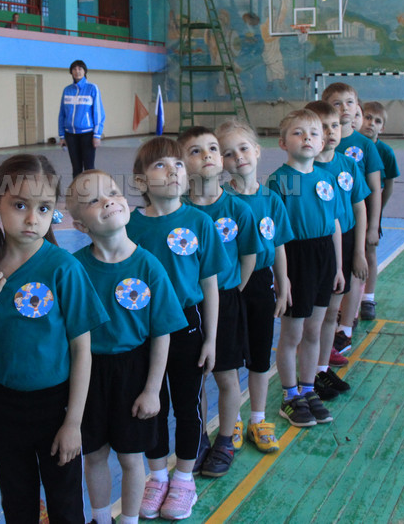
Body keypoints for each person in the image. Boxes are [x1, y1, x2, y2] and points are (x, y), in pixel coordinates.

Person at [0, 154, 106, 524]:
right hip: (3, 402)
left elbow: (82, 351)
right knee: (17, 499)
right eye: (20, 205)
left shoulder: (64, 269)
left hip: (57, 406)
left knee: (65, 503)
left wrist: (73, 423)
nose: (31, 219)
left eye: (43, 208)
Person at [67, 169, 186, 524]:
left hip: (134, 371)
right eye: (93, 200)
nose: (107, 202)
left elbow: (162, 332)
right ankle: (101, 518)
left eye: (112, 193)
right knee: (94, 455)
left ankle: (130, 519)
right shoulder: (75, 269)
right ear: (80, 225)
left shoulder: (148, 266)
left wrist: (152, 390)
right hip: (88, 372)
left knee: (132, 458)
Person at [126, 137, 227, 521]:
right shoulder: (130, 226)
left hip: (187, 326)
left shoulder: (200, 222)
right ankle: (156, 477)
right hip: (143, 330)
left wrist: (211, 338)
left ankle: (184, 479)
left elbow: (209, 285)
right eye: (160, 165)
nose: (172, 171)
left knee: (188, 405)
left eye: (178, 165)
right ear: (140, 181)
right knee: (150, 406)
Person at [179, 126, 259, 477]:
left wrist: (232, 292)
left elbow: (248, 257)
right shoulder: (176, 212)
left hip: (225, 301)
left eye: (213, 148)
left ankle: (226, 439)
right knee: (194, 380)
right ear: (181, 163)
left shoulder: (238, 209)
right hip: (186, 308)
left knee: (226, 376)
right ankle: (198, 439)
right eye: (195, 151)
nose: (207, 155)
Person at [216, 119, 294, 454]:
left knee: (260, 354)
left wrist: (283, 280)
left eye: (244, 148)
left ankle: (257, 419)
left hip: (261, 283)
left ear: (258, 151)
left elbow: (278, 244)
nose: (238, 157)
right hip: (229, 287)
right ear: (221, 162)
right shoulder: (221, 202)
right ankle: (232, 419)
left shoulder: (272, 199)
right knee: (230, 357)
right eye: (228, 153)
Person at [267, 109, 343, 429]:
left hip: (324, 256)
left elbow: (334, 223)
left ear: (322, 142)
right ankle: (289, 395)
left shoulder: (326, 178)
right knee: (293, 333)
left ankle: (309, 388)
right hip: (295, 256)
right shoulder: (279, 181)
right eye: (298, 133)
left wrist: (338, 267)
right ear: (283, 143)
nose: (307, 138)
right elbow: (276, 236)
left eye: (313, 133)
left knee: (314, 330)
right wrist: (281, 277)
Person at [307, 100, 369, 399]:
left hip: (345, 240)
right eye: (322, 127)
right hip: (316, 245)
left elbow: (360, 208)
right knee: (315, 316)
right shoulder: (304, 169)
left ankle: (322, 368)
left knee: (333, 311)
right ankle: (308, 374)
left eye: (335, 125)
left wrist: (359, 251)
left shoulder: (349, 165)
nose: (331, 132)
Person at [321, 82, 382, 349]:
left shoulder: (364, 146)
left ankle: (347, 324)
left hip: (355, 223)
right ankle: (330, 324)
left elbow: (374, 189)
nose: (344, 108)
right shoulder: (317, 146)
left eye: (349, 102)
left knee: (356, 270)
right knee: (335, 276)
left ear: (357, 106)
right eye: (337, 103)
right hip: (326, 228)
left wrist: (372, 226)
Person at [358, 100, 400, 321]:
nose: (370, 123)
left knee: (369, 252)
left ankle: (368, 297)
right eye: (367, 118)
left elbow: (389, 185)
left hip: (371, 209)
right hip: (349, 209)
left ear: (382, 127)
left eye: (377, 121)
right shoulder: (349, 146)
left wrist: (377, 211)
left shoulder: (385, 152)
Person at [58, 59, 105, 176]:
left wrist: (97, 135)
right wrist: (62, 135)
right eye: (74, 69)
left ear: (85, 71)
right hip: (70, 135)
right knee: (76, 168)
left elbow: (98, 113)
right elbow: (62, 114)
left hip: (87, 135)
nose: (77, 71)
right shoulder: (67, 90)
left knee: (89, 167)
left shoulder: (92, 88)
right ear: (71, 72)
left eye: (80, 69)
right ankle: (77, 188)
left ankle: (91, 188)